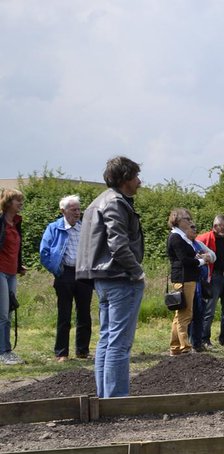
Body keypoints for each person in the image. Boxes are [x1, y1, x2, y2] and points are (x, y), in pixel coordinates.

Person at [77, 155, 146, 398]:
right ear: (125, 178)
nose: (140, 181)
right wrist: (137, 272)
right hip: (120, 278)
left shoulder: (98, 201)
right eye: (136, 176)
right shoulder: (116, 203)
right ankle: (116, 400)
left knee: (106, 340)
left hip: (103, 279)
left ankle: (105, 399)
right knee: (119, 343)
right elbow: (118, 244)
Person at [39, 194, 92, 362]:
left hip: (83, 274)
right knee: (64, 314)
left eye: (78, 209)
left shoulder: (85, 228)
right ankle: (61, 352)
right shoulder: (54, 228)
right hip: (65, 274)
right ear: (63, 210)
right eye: (73, 209)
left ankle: (82, 351)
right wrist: (57, 270)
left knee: (84, 314)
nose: (77, 212)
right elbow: (44, 252)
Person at [166, 208, 211, 355]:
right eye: (187, 219)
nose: (190, 221)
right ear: (178, 221)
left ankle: (175, 347)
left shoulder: (182, 237)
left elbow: (188, 256)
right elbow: (185, 260)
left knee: (180, 315)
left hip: (188, 278)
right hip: (184, 278)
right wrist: (202, 261)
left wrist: (198, 257)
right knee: (185, 314)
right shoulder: (176, 238)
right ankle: (184, 347)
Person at [196, 214, 224, 347]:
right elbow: (195, 255)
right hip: (213, 277)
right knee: (209, 310)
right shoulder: (203, 238)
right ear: (215, 226)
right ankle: (204, 339)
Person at [0, 188, 26, 365]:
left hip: (11, 272)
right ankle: (4, 352)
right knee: (3, 314)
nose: (21, 203)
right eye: (18, 200)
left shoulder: (16, 222)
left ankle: (6, 350)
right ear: (8, 202)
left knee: (9, 311)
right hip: (0, 271)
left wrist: (19, 266)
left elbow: (16, 249)